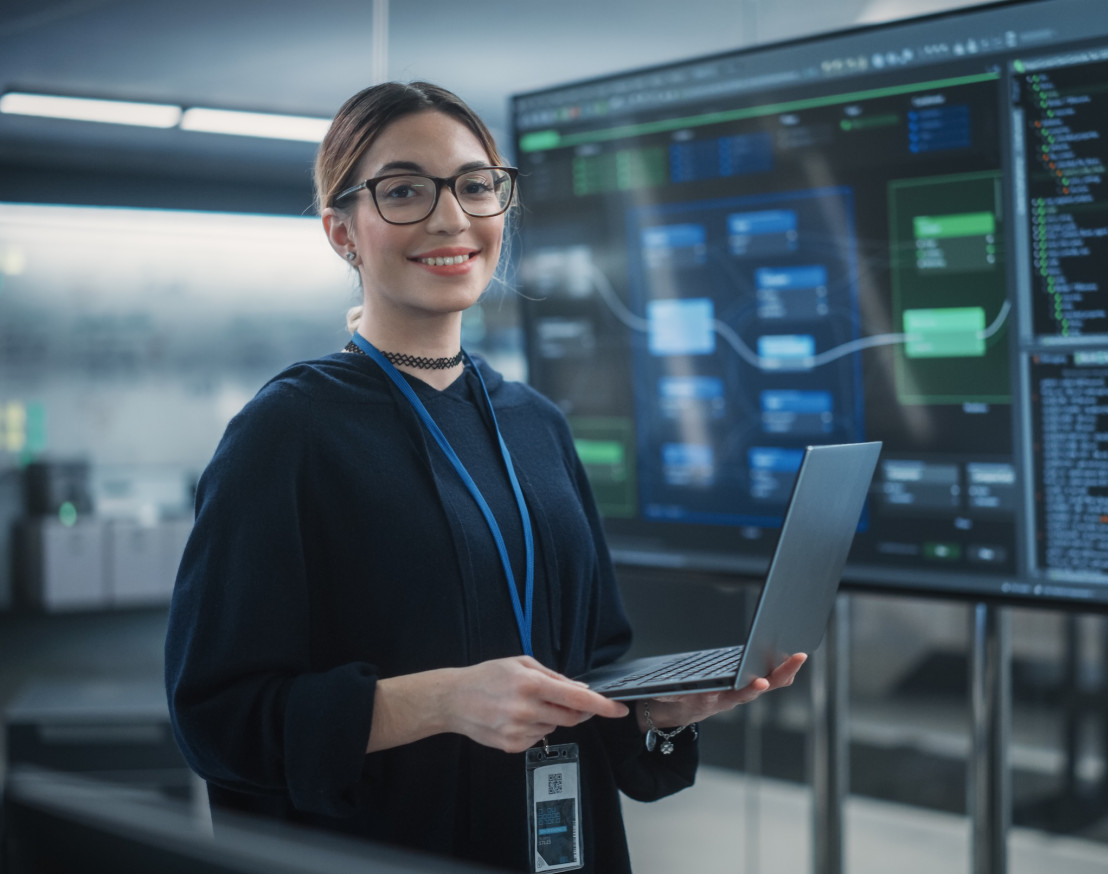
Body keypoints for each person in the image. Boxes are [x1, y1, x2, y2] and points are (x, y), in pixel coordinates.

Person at [164, 80, 804, 872]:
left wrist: (652, 714)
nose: (450, 218)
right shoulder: (287, 433)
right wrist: (437, 702)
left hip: (561, 845)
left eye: (475, 186)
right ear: (342, 233)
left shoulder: (537, 424)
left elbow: (594, 663)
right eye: (403, 191)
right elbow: (217, 720)